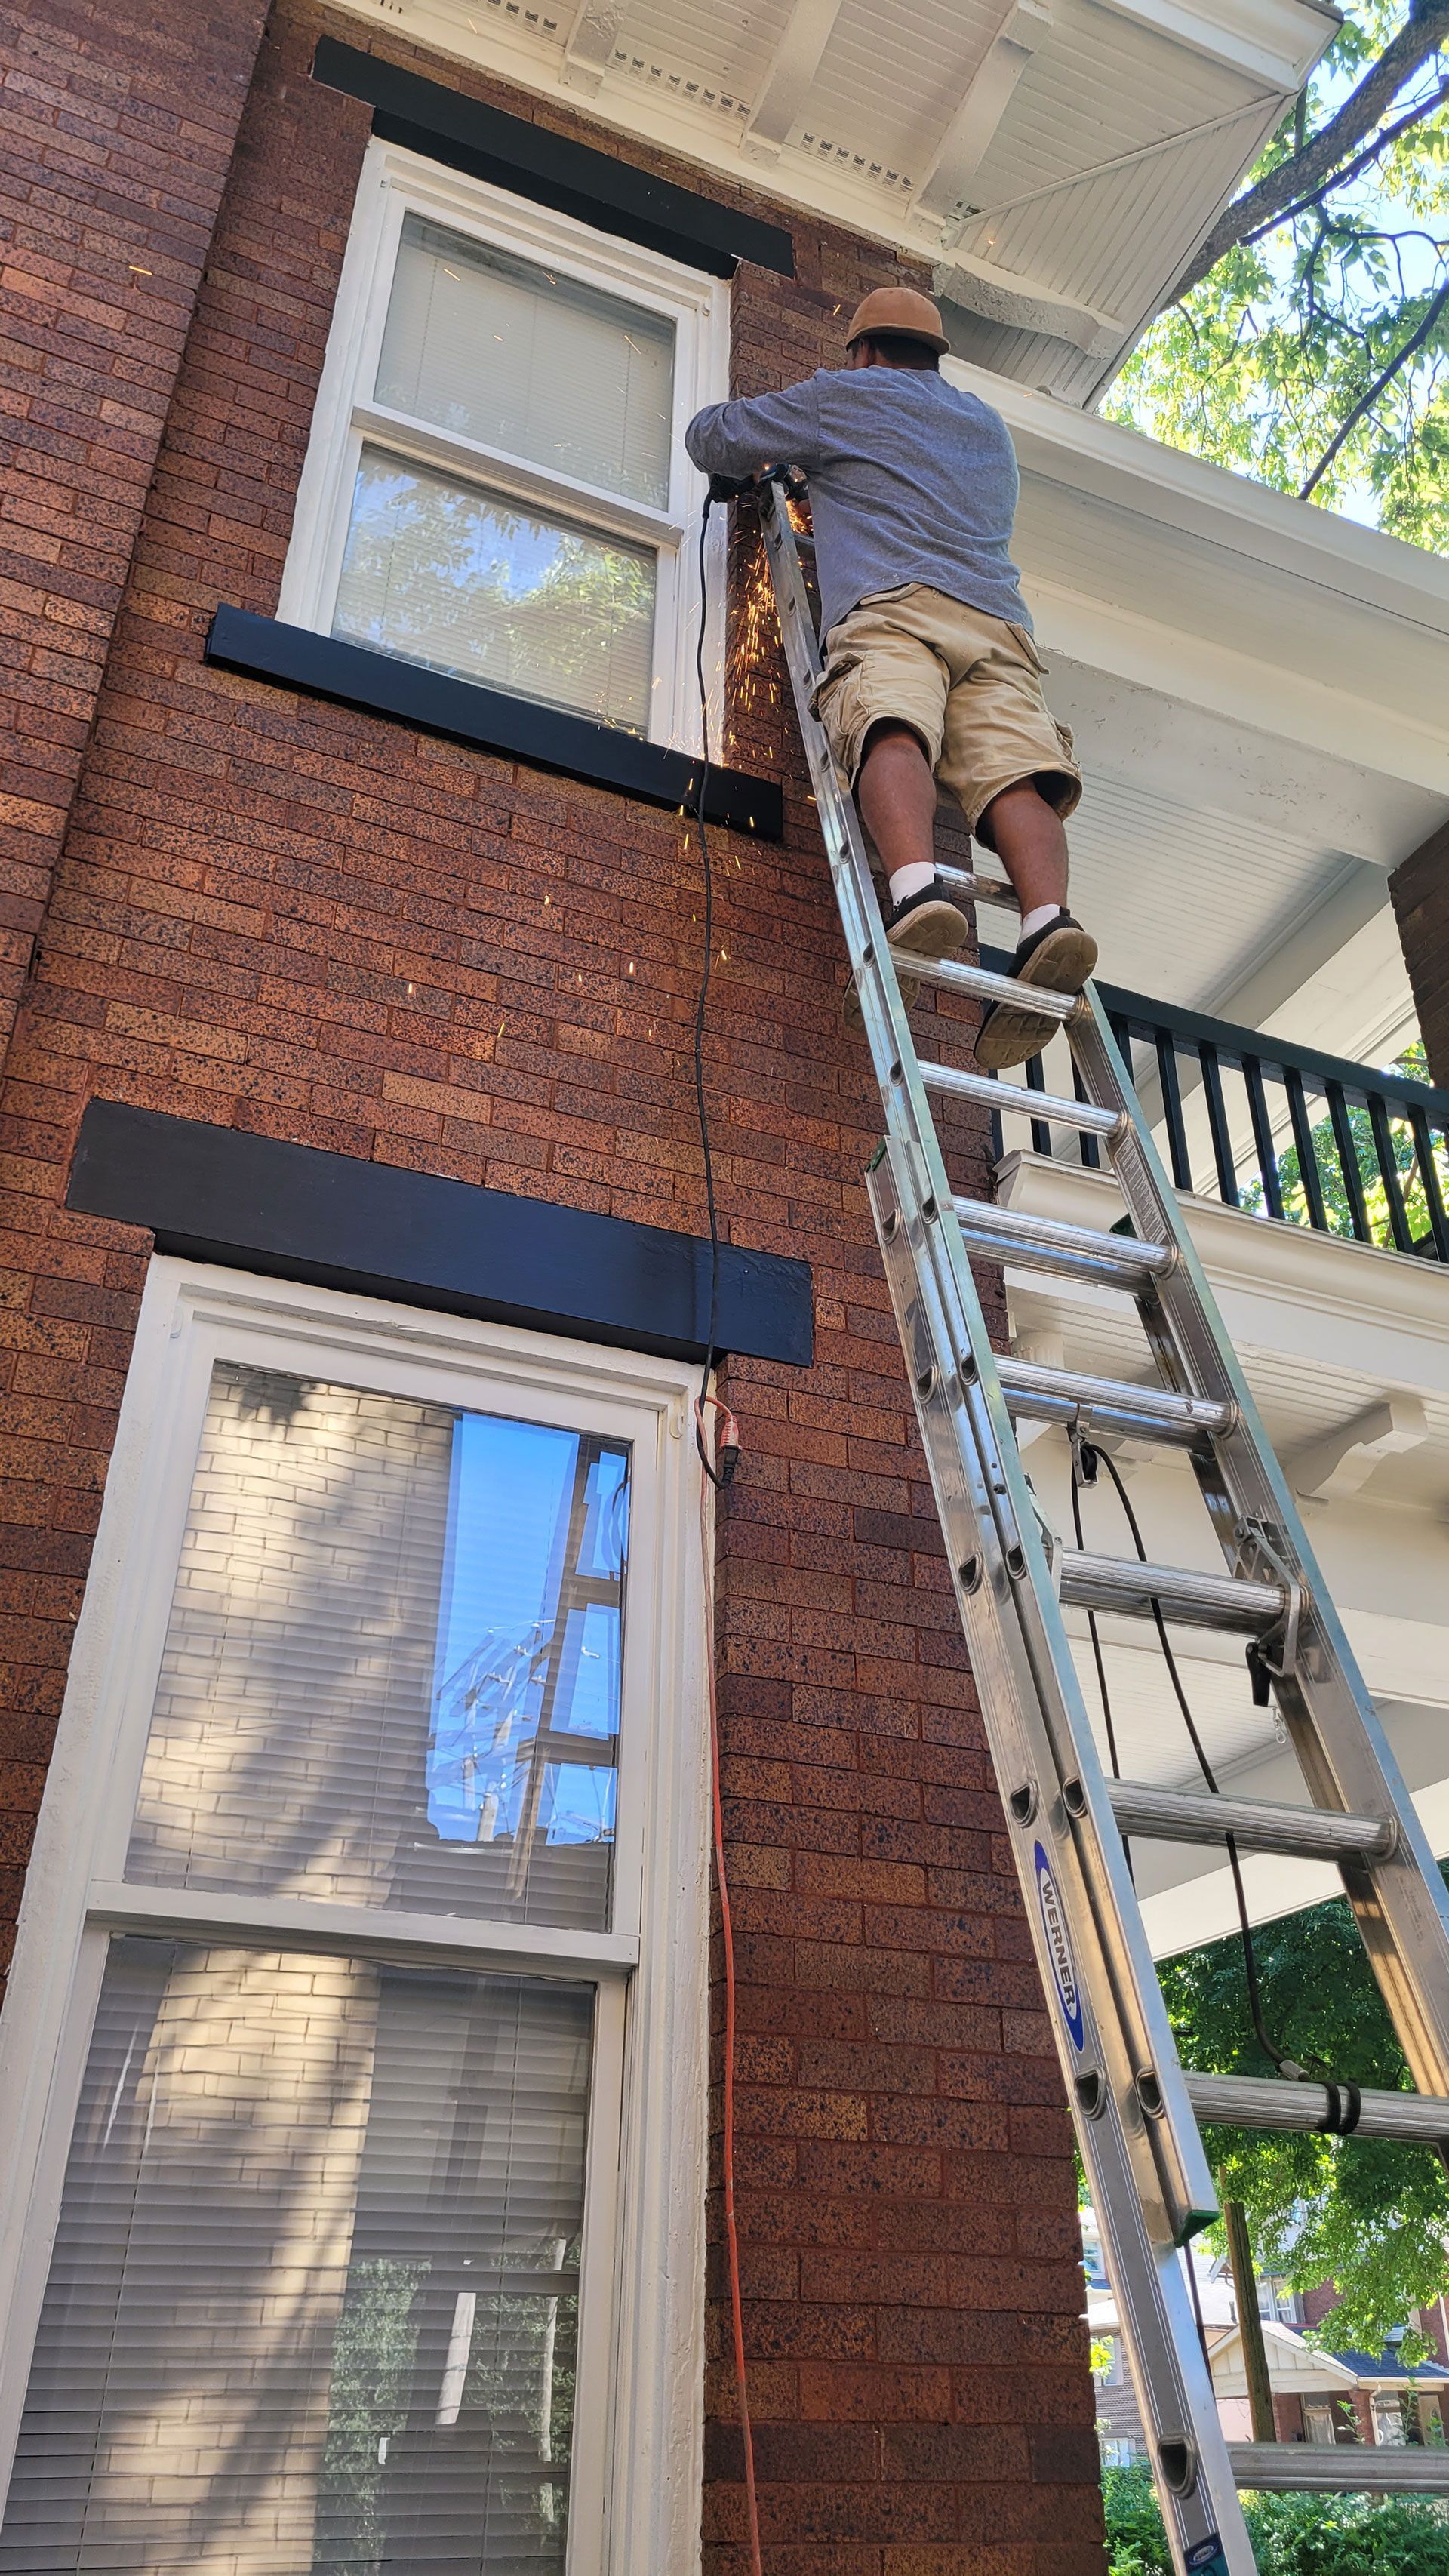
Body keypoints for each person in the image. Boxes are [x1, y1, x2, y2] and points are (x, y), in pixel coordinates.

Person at [685, 286, 1095, 1067]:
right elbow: (909, 481)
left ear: (866, 351)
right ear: (934, 357)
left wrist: (793, 453)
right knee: (1013, 774)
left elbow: (716, 437)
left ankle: (916, 890)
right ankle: (1049, 920)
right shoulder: (987, 428)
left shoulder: (845, 397)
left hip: (894, 604)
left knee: (890, 725)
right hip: (997, 627)